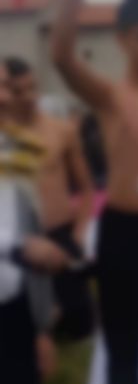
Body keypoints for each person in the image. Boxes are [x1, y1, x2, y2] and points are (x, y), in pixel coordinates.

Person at [52, 0, 138, 384]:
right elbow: (62, 57)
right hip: (122, 229)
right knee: (123, 341)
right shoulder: (109, 93)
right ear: (123, 40)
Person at [6, 57, 95, 341]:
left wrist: (79, 234)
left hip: (60, 233)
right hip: (15, 239)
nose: (27, 97)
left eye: (31, 88)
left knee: (79, 323)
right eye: (17, 90)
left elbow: (87, 188)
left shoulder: (61, 130)